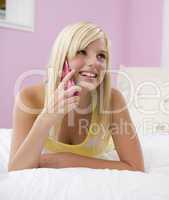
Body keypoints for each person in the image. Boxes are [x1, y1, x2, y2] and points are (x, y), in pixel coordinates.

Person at [8, 21, 144, 172]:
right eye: (81, 52)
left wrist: (66, 160)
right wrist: (46, 118)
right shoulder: (29, 99)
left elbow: (135, 167)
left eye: (101, 56)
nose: (94, 63)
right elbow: (16, 169)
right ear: (62, 58)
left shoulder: (112, 100)